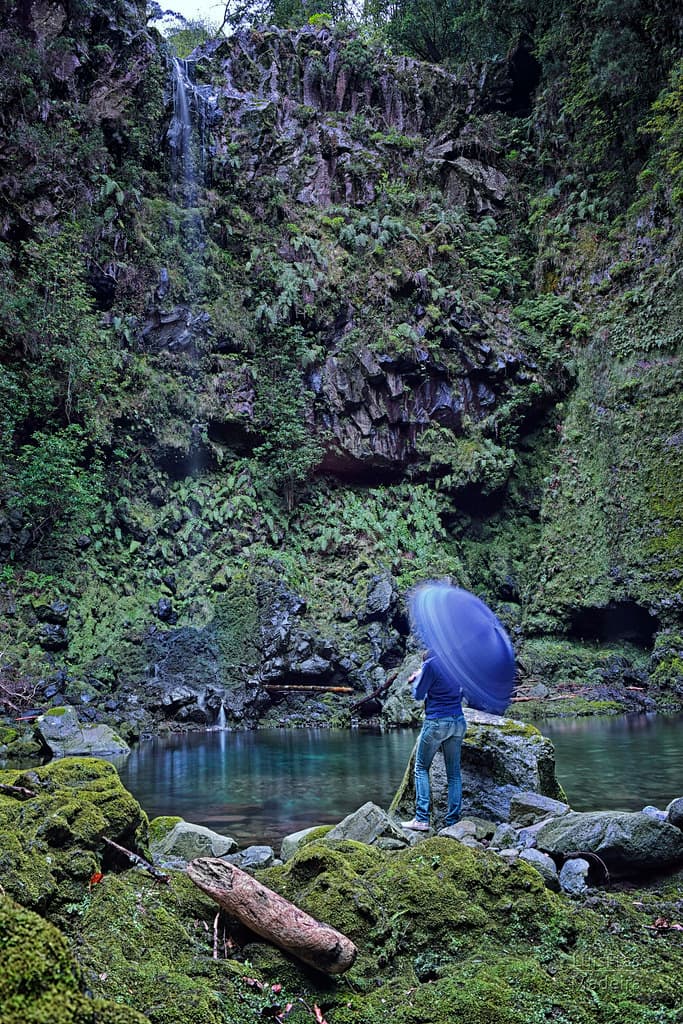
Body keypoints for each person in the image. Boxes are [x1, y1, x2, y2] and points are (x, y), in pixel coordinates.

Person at [401, 651, 467, 831]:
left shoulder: (431, 664)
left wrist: (416, 678)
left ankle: (421, 819)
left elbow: (419, 694)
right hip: (458, 721)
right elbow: (462, 692)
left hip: (437, 722)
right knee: (453, 774)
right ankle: (452, 822)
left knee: (421, 768)